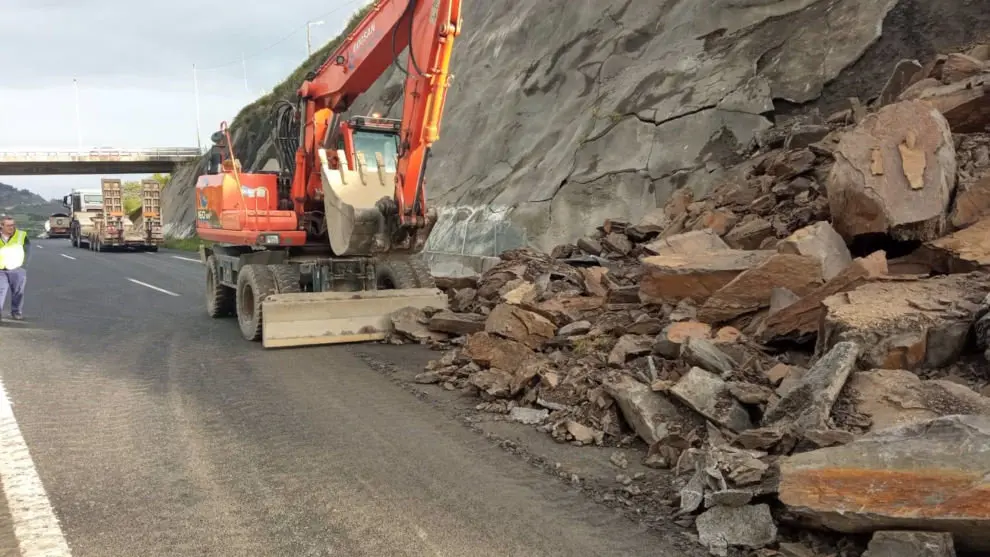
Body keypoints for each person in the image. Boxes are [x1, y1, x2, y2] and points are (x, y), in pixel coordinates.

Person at [0, 215, 30, 321]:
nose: (11, 227)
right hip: (1, 270)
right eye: (8, 225)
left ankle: (16, 312)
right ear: (1, 226)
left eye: (13, 225)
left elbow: (27, 250)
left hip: (17, 269)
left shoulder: (21, 235)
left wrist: (24, 265)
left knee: (18, 293)